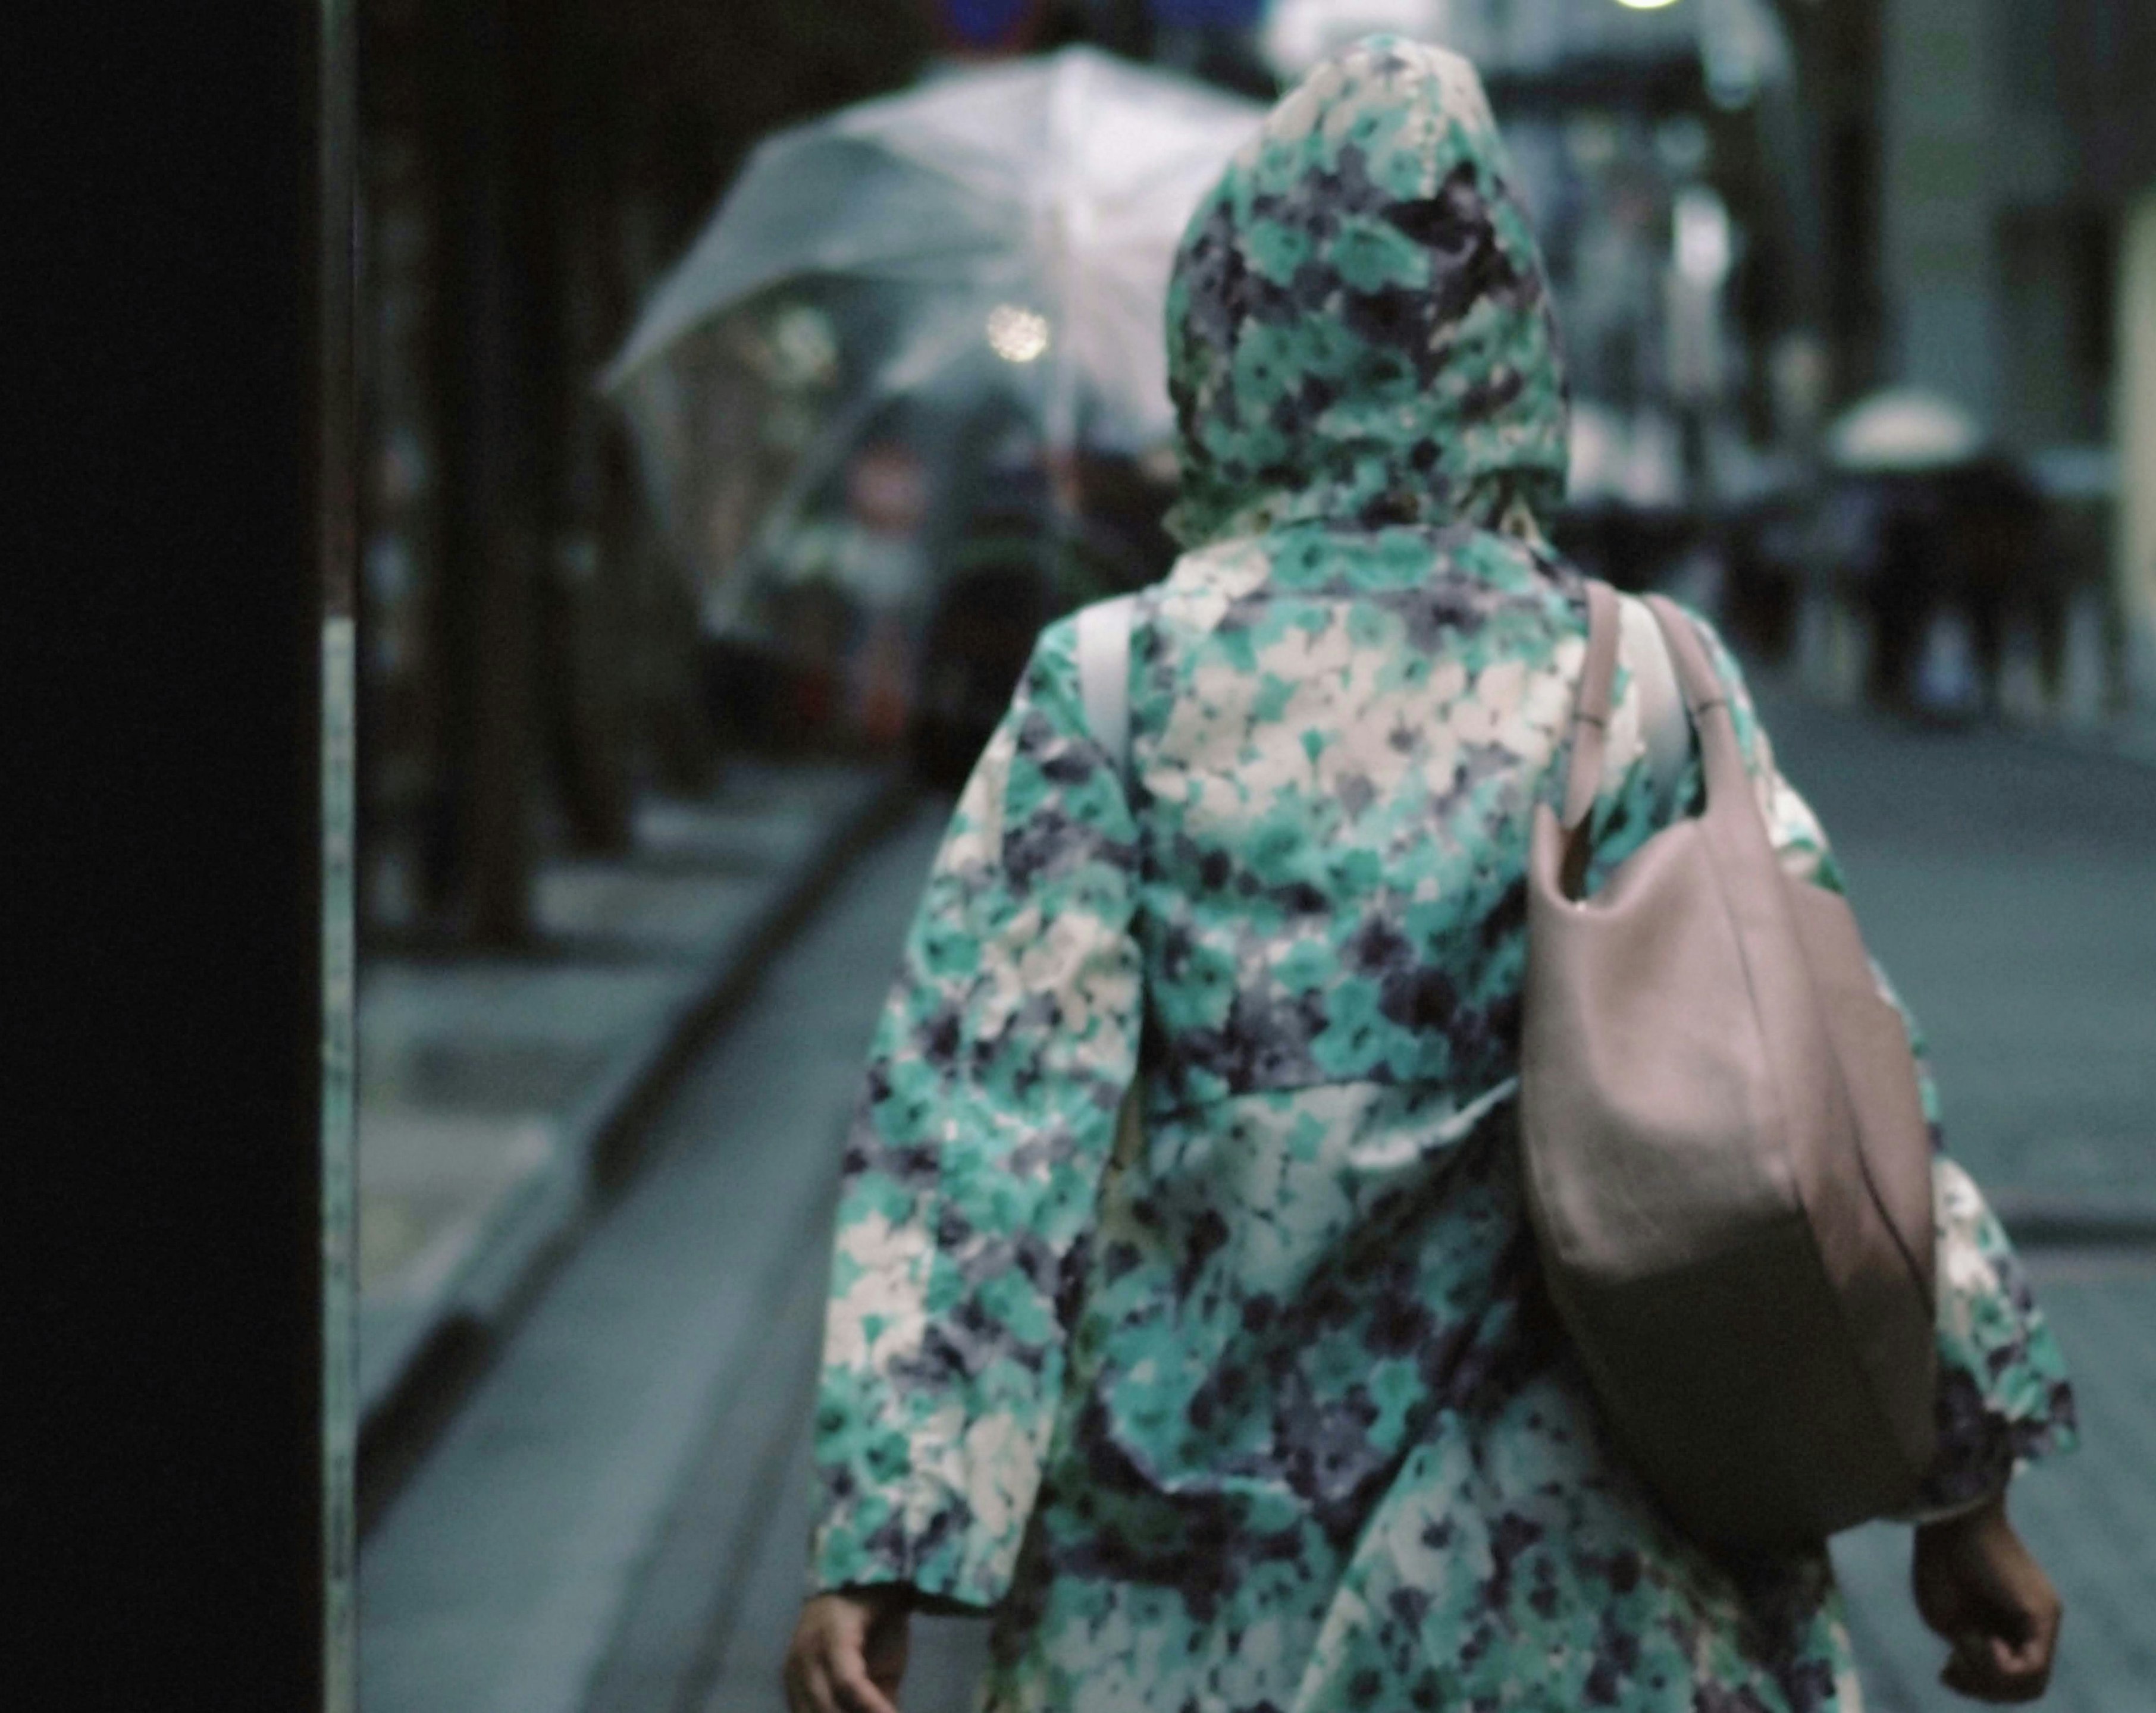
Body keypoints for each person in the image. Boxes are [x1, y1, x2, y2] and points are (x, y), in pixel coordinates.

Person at [785, 39, 2074, 1713]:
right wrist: (1959, 1482)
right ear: (1506, 336)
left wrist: (888, 1534)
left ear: (1227, 327)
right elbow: (1836, 1095)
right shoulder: (1637, 671)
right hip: (1591, 1582)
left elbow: (979, 1128)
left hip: (1196, 1588)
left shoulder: (1111, 689)